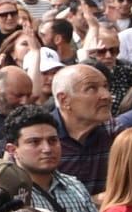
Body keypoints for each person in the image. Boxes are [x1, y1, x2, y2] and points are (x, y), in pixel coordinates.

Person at [4, 105, 99, 212]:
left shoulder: (75, 186)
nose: (47, 149)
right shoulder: (9, 193)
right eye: (34, 142)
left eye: (53, 140)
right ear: (13, 150)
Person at [50, 65, 121, 195]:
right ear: (64, 100)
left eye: (106, 87)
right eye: (91, 88)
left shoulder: (115, 133)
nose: (106, 96)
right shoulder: (38, 137)